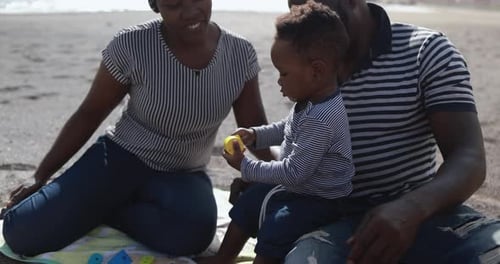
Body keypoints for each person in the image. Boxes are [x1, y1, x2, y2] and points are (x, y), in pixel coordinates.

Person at [0, 0, 274, 257]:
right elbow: (90, 112)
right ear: (154, 4)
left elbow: (255, 130)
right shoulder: (132, 45)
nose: (190, 11)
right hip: (119, 159)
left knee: (195, 236)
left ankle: (109, 210)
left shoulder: (239, 53)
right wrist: (40, 175)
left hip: (183, 173)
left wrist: (285, 173)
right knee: (21, 233)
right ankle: (102, 202)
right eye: (174, 4)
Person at [269, 0, 499, 263]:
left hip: (428, 216)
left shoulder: (427, 51)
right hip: (340, 230)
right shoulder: (307, 64)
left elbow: (468, 157)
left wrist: (411, 208)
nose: (307, 27)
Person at [198, 2, 354, 263]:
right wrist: (256, 135)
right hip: (299, 189)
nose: (279, 81)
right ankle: (223, 258)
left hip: (321, 201)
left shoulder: (323, 118)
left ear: (317, 70)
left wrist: (245, 166)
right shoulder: (310, 101)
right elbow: (286, 128)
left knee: (277, 225)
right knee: (249, 204)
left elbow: (294, 172)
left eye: (284, 73)